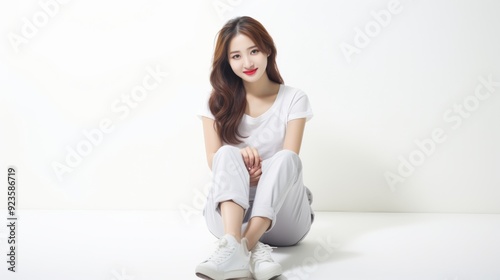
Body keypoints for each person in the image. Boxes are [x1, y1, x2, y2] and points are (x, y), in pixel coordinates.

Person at [196, 16, 314, 280]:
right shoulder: (216, 102)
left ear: (267, 50)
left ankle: (239, 249)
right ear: (227, 62)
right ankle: (242, 244)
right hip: (228, 219)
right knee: (225, 153)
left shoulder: (293, 98)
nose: (247, 63)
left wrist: (261, 169)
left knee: (287, 159)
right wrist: (238, 160)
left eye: (253, 51)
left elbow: (289, 160)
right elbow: (213, 159)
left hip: (284, 219)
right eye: (236, 56)